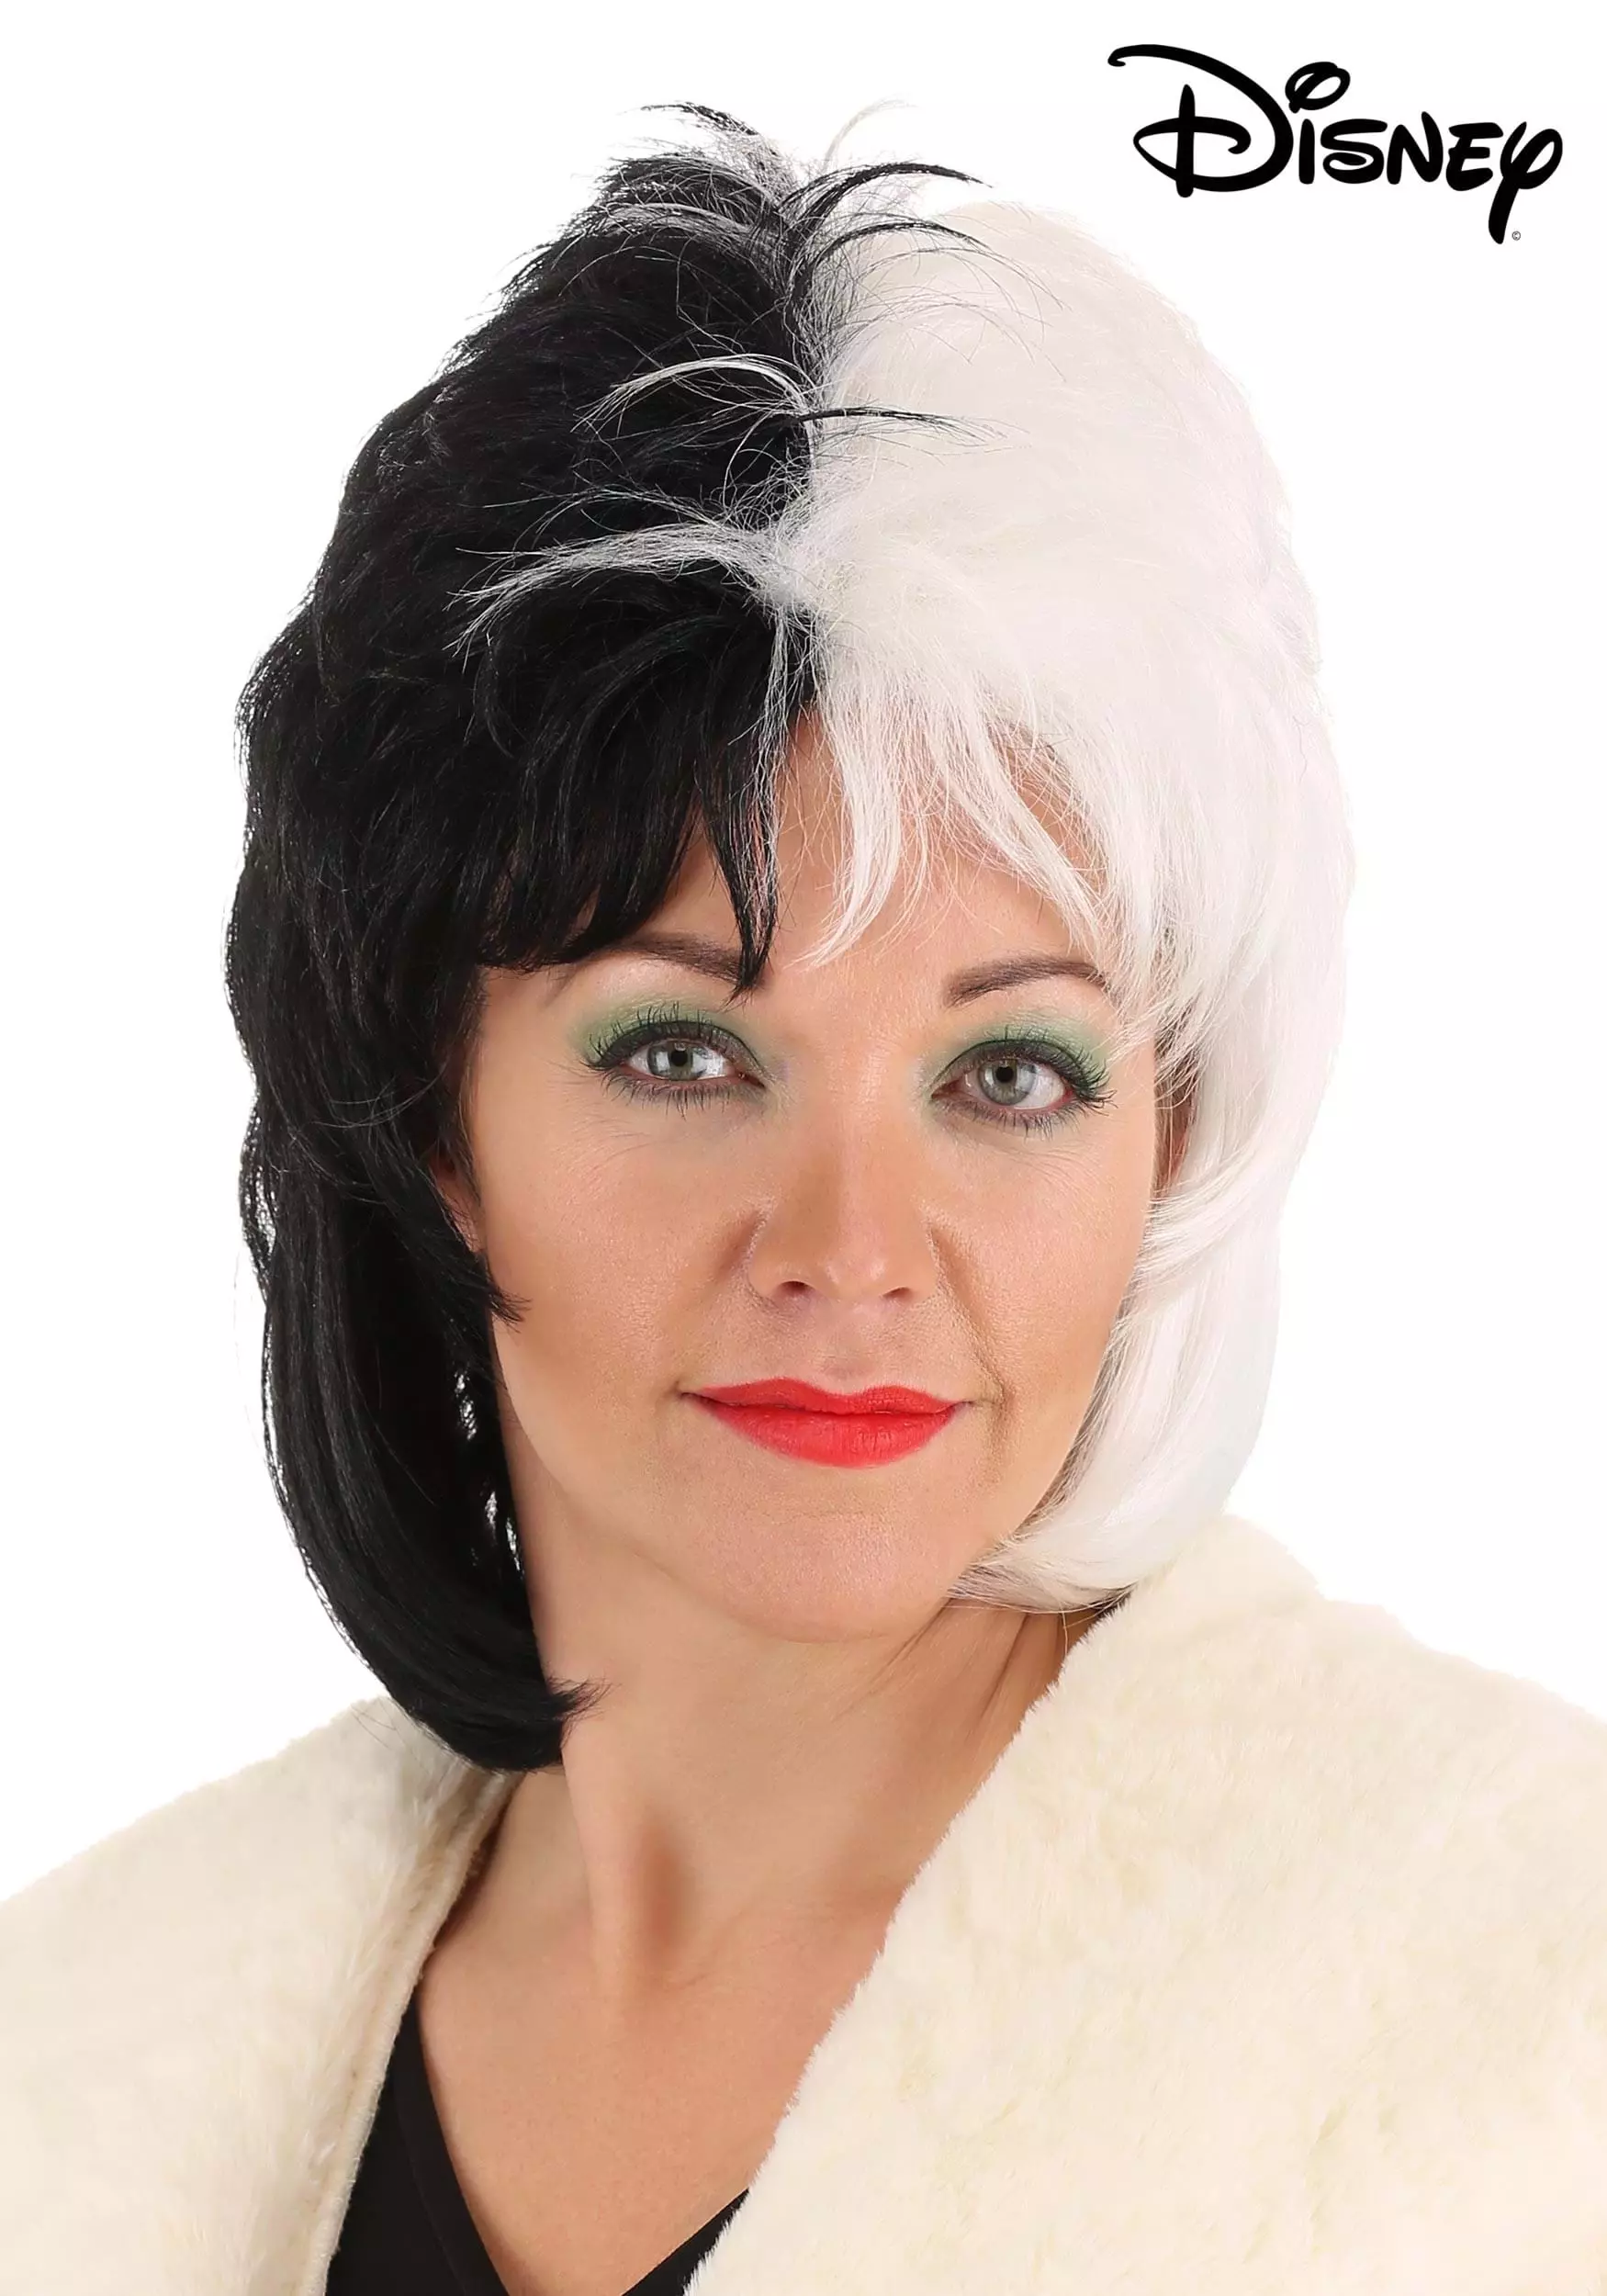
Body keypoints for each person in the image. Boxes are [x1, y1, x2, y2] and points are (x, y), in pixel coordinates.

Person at [4, 104, 1606, 2296]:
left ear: (1169, 1137)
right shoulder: (70, 2046)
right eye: (682, 1053)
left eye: (1006, 1074)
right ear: (430, 1105)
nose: (848, 1243)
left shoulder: (1527, 2021)